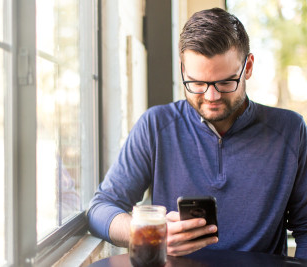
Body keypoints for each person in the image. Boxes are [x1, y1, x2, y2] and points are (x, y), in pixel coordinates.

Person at [87, 7, 307, 259]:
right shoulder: (155, 126)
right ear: (183, 70)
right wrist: (151, 233)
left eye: (226, 82)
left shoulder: (291, 130)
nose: (211, 97)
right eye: (197, 83)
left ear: (248, 67)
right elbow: (100, 209)